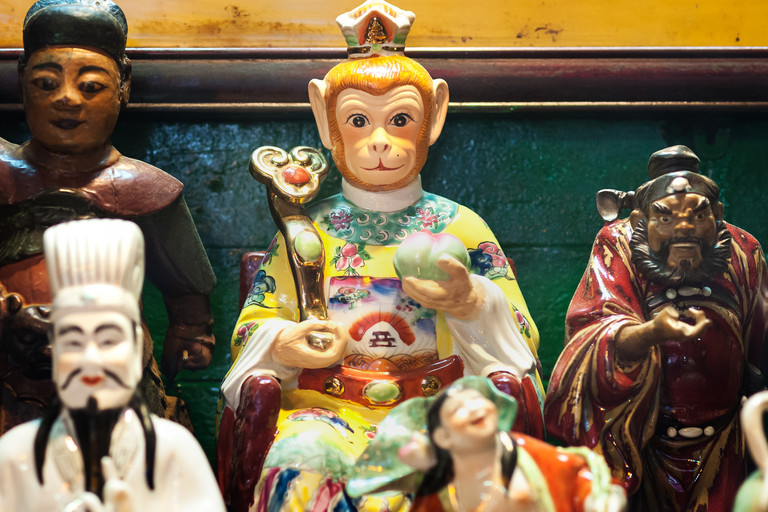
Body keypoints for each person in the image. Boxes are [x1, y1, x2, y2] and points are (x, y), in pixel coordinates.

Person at [219, 1, 544, 510]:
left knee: (470, 473)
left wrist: (471, 303)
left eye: (398, 119)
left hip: (440, 408)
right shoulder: (306, 233)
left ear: (432, 118)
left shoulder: (463, 228)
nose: (378, 142)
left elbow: (522, 339)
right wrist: (282, 344)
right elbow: (251, 327)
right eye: (356, 120)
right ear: (327, 125)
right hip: (325, 409)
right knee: (300, 462)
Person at [0, 0, 216, 433]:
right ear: (22, 81)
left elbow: (187, 288)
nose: (66, 98)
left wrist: (192, 331)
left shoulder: (147, 190)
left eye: (92, 86)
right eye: (46, 82)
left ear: (124, 85)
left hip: (112, 377)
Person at [544, 145, 768, 511]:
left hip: (727, 443)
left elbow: (760, 340)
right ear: (639, 221)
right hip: (645, 444)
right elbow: (594, 330)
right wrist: (652, 333)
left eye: (698, 217)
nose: (684, 228)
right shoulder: (617, 243)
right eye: (665, 219)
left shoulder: (743, 250)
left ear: (718, 216)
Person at [0, 218, 224, 512]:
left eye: (108, 341)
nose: (90, 360)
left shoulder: (172, 451)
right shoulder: (17, 455)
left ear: (135, 349)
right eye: (73, 342)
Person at [349, 376, 626, 512]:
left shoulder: (523, 453)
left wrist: (598, 498)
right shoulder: (444, 488)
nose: (473, 409)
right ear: (443, 437)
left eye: (477, 400)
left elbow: (572, 472)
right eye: (459, 409)